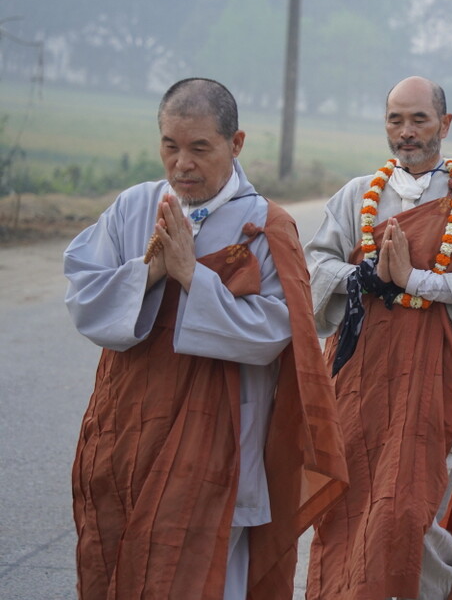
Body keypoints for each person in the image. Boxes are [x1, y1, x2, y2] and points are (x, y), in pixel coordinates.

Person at [64, 77, 348, 600]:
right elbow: (85, 297)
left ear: (235, 144)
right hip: (128, 427)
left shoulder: (266, 226)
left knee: (201, 575)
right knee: (119, 558)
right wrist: (151, 271)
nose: (182, 165)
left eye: (199, 148)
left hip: (219, 442)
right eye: (170, 146)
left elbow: (275, 332)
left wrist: (194, 276)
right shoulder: (134, 207)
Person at [304, 76, 452, 600]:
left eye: (419, 119)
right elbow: (316, 267)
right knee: (349, 503)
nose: (406, 132)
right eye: (396, 120)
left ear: (445, 124)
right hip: (362, 378)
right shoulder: (358, 195)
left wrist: (413, 281)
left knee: (409, 511)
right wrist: (365, 278)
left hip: (436, 382)